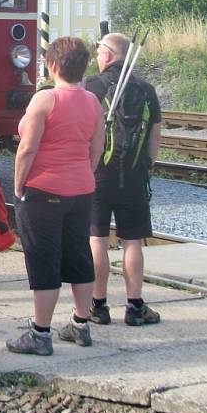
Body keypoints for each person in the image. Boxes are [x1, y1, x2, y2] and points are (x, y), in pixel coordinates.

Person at [7, 37, 105, 356]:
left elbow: (27, 148)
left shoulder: (45, 100)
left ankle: (40, 333)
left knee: (44, 259)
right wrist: (83, 174)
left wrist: (19, 185)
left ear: (52, 64)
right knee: (78, 254)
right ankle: (80, 324)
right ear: (83, 66)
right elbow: (97, 147)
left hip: (44, 189)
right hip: (81, 190)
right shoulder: (93, 101)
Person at [86, 33, 163, 326]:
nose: (96, 57)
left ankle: (98, 305)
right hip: (133, 175)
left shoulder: (93, 86)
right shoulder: (145, 89)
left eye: (98, 52)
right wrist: (147, 166)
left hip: (98, 175)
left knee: (97, 239)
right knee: (132, 242)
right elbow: (155, 131)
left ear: (107, 55)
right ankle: (134, 305)